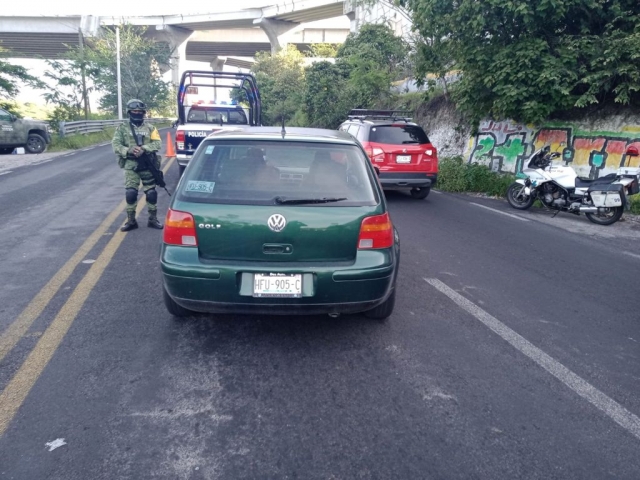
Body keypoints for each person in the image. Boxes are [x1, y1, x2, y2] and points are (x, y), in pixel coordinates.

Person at [112, 99, 163, 231]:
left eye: (140, 111)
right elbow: (116, 145)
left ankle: (152, 219)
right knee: (131, 193)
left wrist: (144, 148)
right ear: (129, 112)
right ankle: (131, 220)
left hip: (147, 164)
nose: (137, 113)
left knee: (151, 192)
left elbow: (158, 143)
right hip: (131, 164)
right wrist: (128, 150)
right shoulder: (122, 128)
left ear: (143, 112)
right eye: (134, 111)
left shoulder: (151, 128)